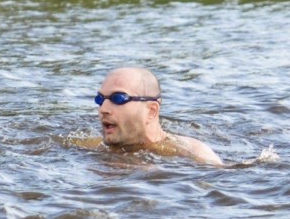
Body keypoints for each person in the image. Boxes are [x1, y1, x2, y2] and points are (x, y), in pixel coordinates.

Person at [89, 67, 223, 166]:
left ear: (151, 111)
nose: (103, 109)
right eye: (100, 99)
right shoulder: (89, 146)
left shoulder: (191, 154)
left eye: (118, 98)